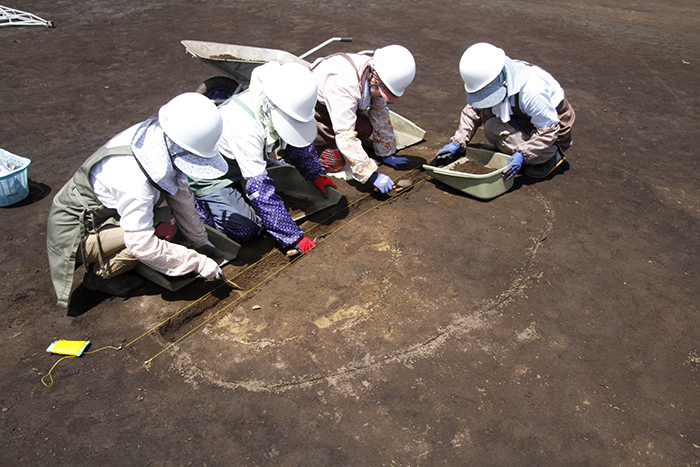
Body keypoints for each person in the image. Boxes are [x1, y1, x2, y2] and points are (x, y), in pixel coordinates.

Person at [47, 92, 228, 308]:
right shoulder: (132, 178)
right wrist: (196, 262)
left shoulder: (162, 138)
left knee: (161, 223)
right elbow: (141, 243)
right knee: (150, 235)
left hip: (109, 216)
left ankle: (118, 258)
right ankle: (101, 276)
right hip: (76, 234)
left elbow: (180, 194)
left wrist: (200, 241)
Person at [188, 61, 336, 257]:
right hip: (212, 173)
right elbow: (260, 190)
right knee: (247, 231)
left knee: (282, 184)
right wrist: (292, 237)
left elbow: (296, 141)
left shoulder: (278, 103)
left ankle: (238, 192)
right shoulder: (245, 126)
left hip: (242, 163)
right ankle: (199, 210)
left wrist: (315, 174)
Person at [436, 42, 575, 179]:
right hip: (522, 118)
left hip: (553, 129)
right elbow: (474, 109)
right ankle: (512, 148)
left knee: (526, 152)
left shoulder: (532, 91)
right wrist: (458, 141)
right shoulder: (495, 75)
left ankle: (552, 155)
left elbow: (549, 129)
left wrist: (523, 154)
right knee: (492, 128)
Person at [310, 44, 416, 193]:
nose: (382, 97)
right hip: (317, 117)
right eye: (383, 92)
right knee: (334, 162)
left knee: (366, 127)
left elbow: (380, 114)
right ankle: (308, 153)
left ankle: (342, 150)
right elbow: (345, 135)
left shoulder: (376, 72)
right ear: (374, 77)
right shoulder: (343, 84)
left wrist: (386, 152)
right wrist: (371, 175)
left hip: (338, 111)